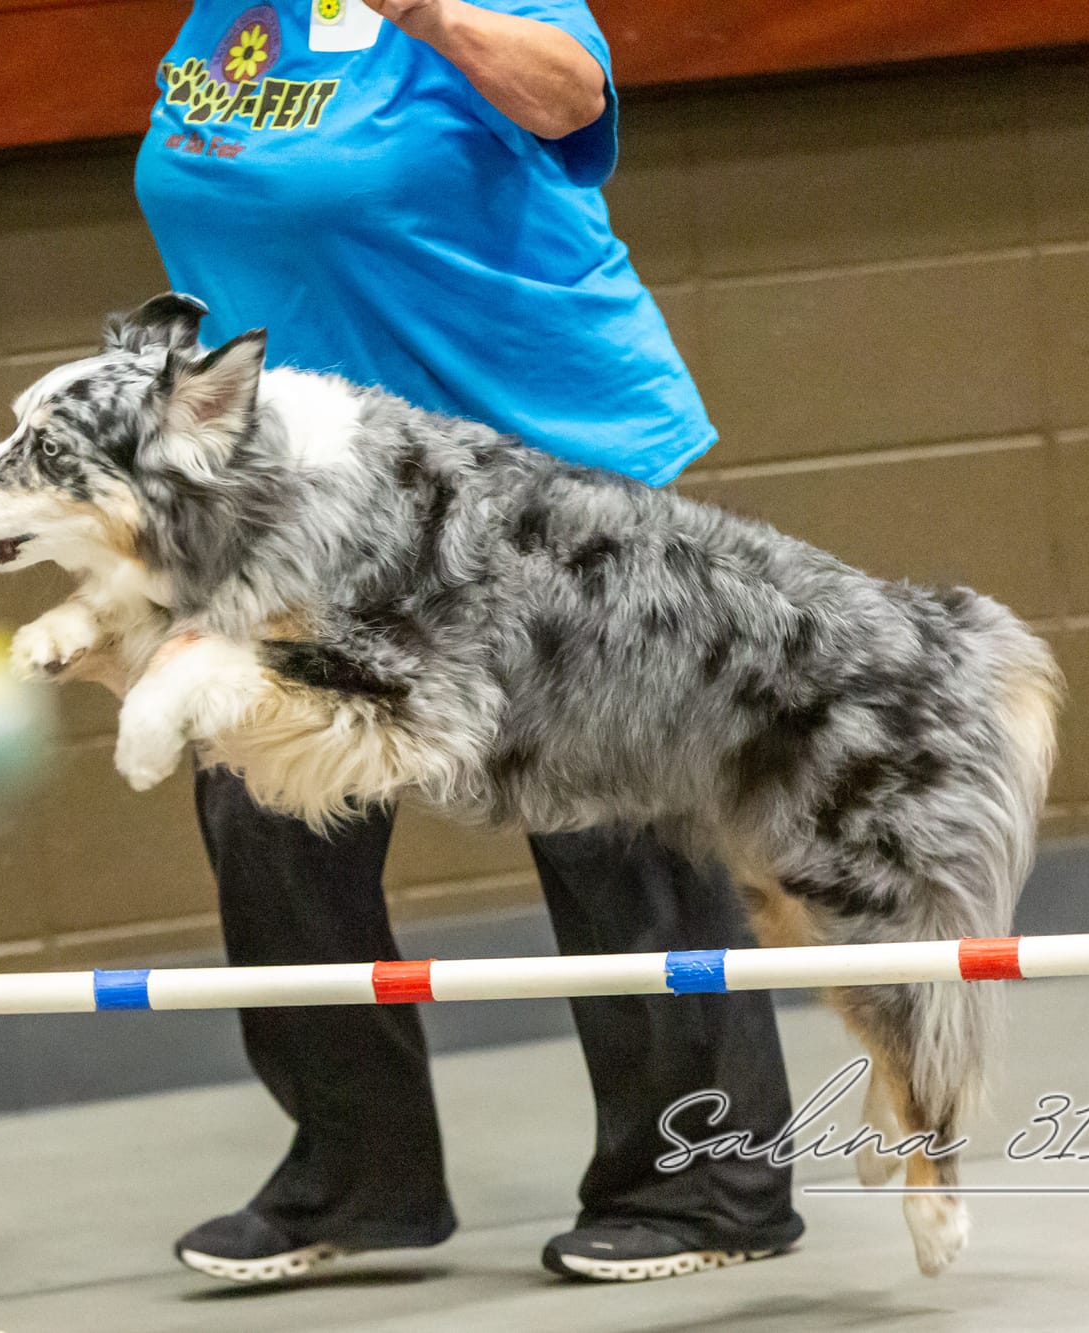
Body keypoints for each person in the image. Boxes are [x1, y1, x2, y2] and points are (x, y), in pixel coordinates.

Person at [131, 0, 806, 1284]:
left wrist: (424, 12)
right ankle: (359, 1175)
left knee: (608, 828)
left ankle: (703, 1187)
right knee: (268, 821)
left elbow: (569, 97)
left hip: (535, 469)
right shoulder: (229, 17)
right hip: (312, 491)